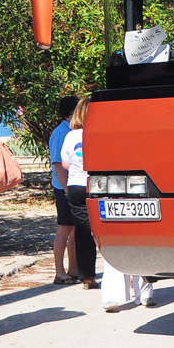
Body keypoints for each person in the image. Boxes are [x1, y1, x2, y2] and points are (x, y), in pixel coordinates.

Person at [60, 96, 98, 289]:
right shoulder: (98, 133)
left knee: (83, 232)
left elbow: (64, 163)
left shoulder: (70, 136)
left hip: (75, 184)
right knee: (102, 230)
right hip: (95, 185)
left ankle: (87, 277)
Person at [48, 96, 78, 284]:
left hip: (71, 186)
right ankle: (59, 271)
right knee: (64, 228)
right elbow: (58, 164)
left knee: (74, 229)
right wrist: (67, 190)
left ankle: (73, 268)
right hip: (63, 187)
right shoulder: (61, 133)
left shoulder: (72, 132)